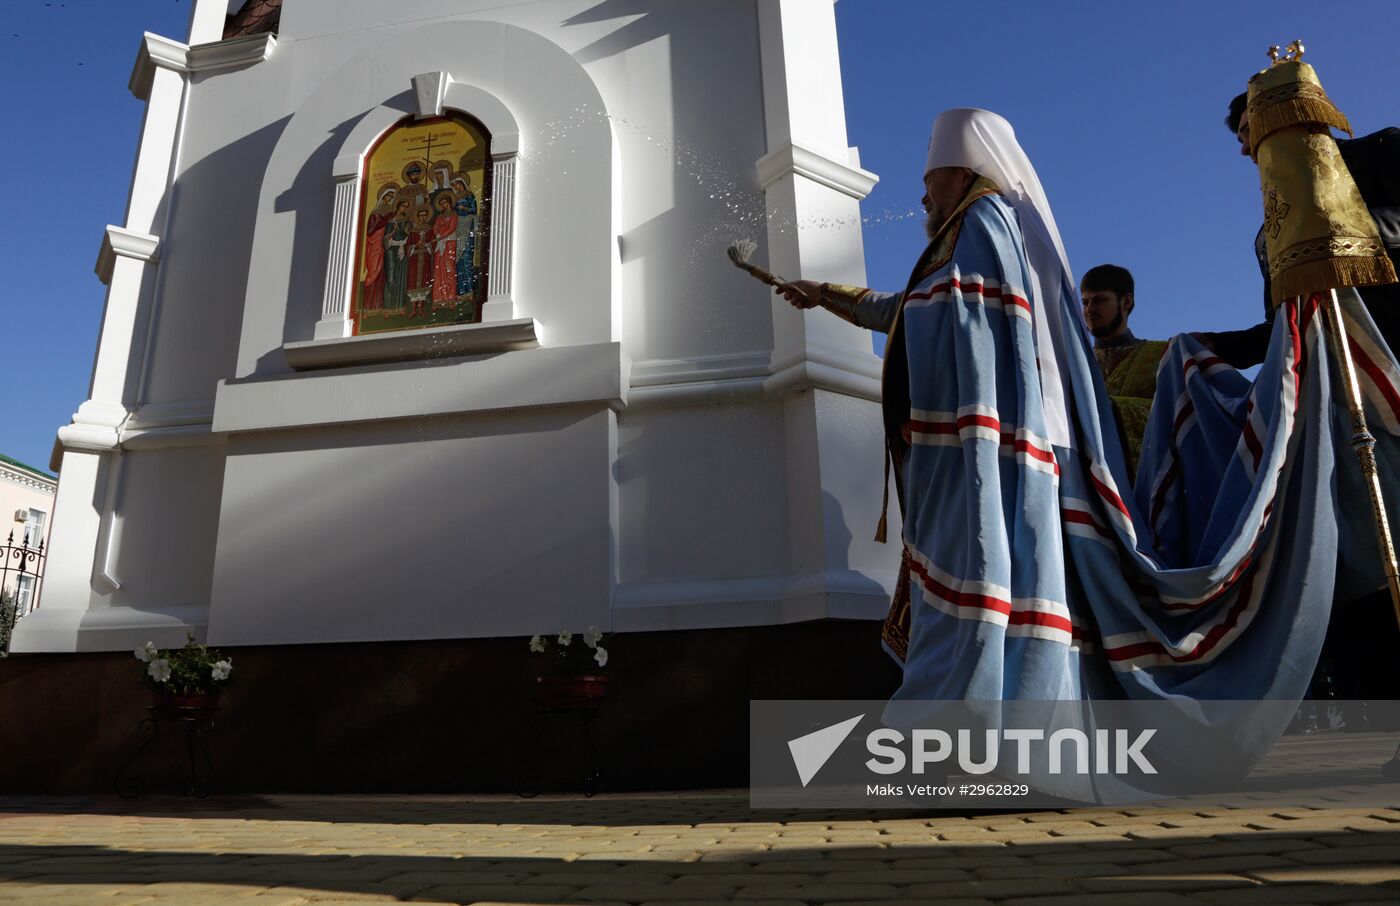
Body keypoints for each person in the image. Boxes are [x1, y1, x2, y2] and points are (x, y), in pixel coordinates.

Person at [1198, 94, 1400, 368]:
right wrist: (1217, 346)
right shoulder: (1270, 232)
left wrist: (1340, 233)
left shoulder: (1379, 149)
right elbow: (1286, 327)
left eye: (1249, 131)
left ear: (1289, 116)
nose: (1245, 149)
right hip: (1339, 382)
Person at [1080, 264, 1166, 476]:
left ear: (1126, 301)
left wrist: (1107, 409)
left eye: (1099, 300)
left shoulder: (1163, 355)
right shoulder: (1074, 365)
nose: (1089, 310)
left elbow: (1175, 420)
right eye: (1085, 302)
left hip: (1146, 491)